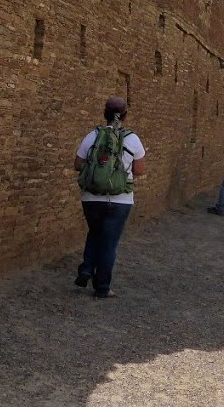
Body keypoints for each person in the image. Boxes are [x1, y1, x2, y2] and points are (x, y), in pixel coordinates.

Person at [73, 97, 147, 299]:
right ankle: (102, 287)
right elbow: (139, 170)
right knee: (109, 242)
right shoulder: (132, 139)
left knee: (96, 232)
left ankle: (87, 269)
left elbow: (78, 164)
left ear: (104, 113)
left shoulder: (93, 136)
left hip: (92, 197)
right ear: (124, 115)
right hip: (120, 199)